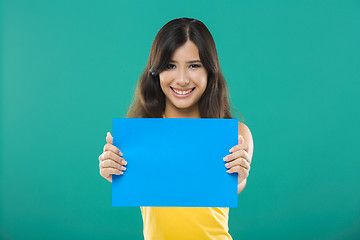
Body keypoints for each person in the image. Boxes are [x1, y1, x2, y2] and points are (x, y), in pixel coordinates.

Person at [98, 17, 254, 240]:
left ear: (209, 71)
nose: (181, 79)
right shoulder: (140, 134)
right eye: (170, 65)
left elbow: (229, 189)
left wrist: (239, 178)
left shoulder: (235, 134)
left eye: (194, 65)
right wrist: (112, 169)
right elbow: (139, 184)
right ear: (156, 71)